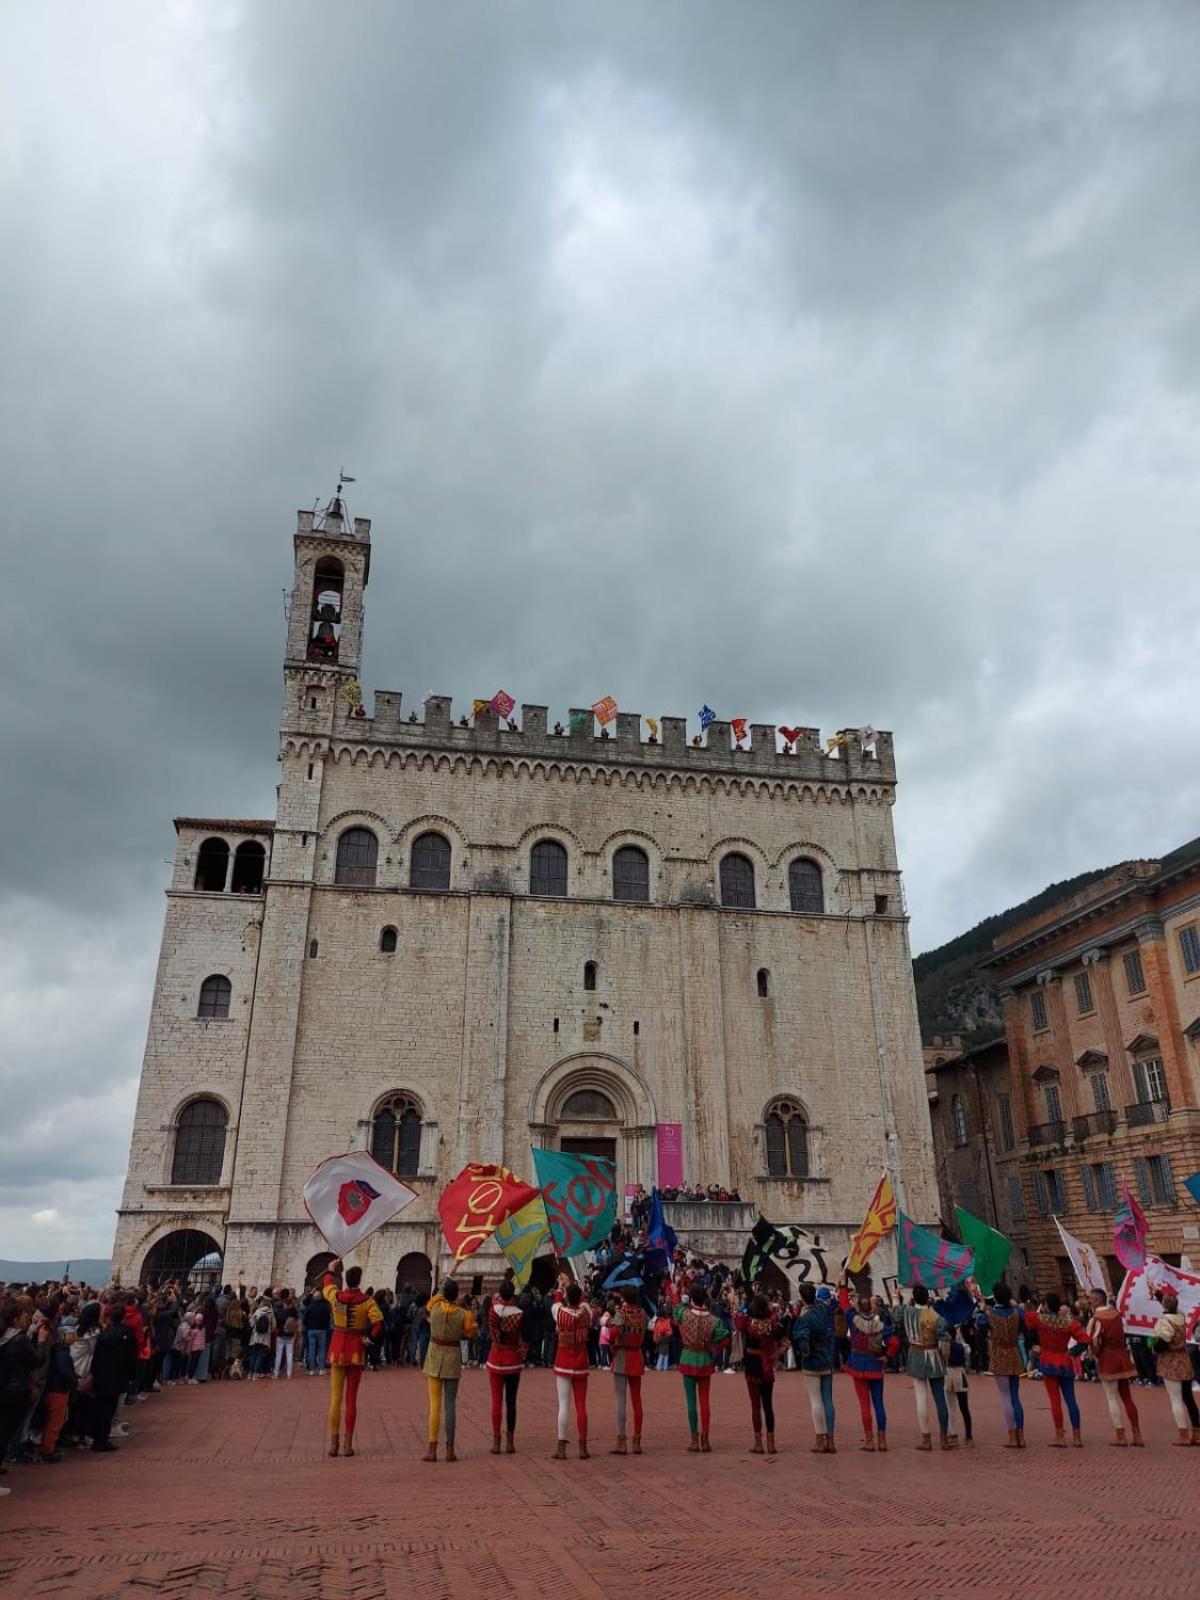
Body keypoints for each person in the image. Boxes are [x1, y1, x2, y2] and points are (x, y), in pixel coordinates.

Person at [322, 1261, 383, 1458]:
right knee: (351, 1399)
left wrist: (331, 1269)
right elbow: (378, 1324)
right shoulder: (367, 1301)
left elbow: (328, 1283)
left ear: (346, 1280)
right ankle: (348, 1443)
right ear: (359, 1280)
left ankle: (334, 1443)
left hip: (337, 1348)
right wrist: (369, 1339)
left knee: (335, 1398)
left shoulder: (336, 1296)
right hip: (356, 1349)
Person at [890, 1286, 954, 1451]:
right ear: (928, 1298)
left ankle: (926, 1438)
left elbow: (895, 1314)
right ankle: (944, 1438)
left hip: (916, 1354)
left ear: (913, 1297)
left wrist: (896, 1297)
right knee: (940, 1399)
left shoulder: (907, 1312)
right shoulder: (936, 1317)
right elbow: (944, 1339)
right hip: (934, 1356)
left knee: (921, 1398)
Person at [423, 1278, 476, 1463]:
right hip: (452, 1357)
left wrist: (441, 1286)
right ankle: (450, 1449)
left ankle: (432, 1448)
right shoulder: (463, 1313)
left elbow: (433, 1300)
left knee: (434, 1406)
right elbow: (470, 1333)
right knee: (450, 1406)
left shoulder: (435, 1306)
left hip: (434, 1356)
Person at [1025, 1292, 1089, 1447]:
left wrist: (1040, 1308)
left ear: (1046, 1304)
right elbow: (1084, 1339)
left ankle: (1060, 1436)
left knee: (1055, 1401)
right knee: (1071, 1400)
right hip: (1065, 1360)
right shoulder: (1068, 1321)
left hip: (1048, 1361)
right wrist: (1073, 1352)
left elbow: (1028, 1319)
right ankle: (1077, 1436)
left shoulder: (1041, 1319)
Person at [675, 1284, 728, 1453]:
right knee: (705, 1401)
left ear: (691, 1298)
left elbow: (676, 1310)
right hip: (705, 1358)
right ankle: (705, 1439)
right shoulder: (714, 1320)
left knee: (691, 1402)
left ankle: (694, 1439)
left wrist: (675, 1292)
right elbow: (724, 1337)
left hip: (688, 1356)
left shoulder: (684, 1314)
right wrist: (713, 1348)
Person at [838, 1279, 889, 1452]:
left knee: (864, 1404)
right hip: (875, 1364)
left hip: (859, 1364)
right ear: (872, 1308)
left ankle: (869, 1440)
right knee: (879, 1404)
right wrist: (887, 1356)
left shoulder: (854, 1320)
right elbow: (894, 1341)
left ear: (859, 1308)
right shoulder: (880, 1325)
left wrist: (842, 1285)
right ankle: (882, 1440)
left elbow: (844, 1304)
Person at [1087, 1292, 1143, 1446]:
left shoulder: (1096, 1319)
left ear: (1098, 1300)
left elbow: (1093, 1340)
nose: (1089, 1301)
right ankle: (1137, 1434)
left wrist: (1095, 1353)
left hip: (1108, 1357)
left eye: (1091, 1298)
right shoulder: (1117, 1315)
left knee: (1112, 1397)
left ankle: (1120, 1434)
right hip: (1121, 1355)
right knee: (1127, 1397)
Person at [792, 1282, 837, 1453]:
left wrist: (804, 1350)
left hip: (812, 1361)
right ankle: (831, 1440)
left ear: (803, 1298)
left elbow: (802, 1341)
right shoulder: (823, 1310)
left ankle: (820, 1439)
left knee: (815, 1400)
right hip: (826, 1357)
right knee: (828, 1400)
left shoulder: (805, 1318)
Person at [551, 1281, 592, 1460]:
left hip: (564, 1360)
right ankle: (583, 1446)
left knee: (563, 1405)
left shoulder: (559, 1313)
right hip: (581, 1360)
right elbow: (584, 1304)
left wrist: (561, 1286)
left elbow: (557, 1300)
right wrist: (575, 1292)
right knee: (581, 1406)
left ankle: (561, 1446)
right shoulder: (586, 1313)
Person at [735, 1293, 781, 1455]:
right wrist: (775, 1355)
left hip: (752, 1365)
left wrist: (738, 1305)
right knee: (768, 1405)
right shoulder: (773, 1322)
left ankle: (758, 1443)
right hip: (767, 1364)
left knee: (756, 1406)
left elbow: (737, 1321)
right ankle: (771, 1443)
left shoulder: (748, 1321)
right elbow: (786, 1341)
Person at [90, 1304, 139, 1453]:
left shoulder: (104, 1333)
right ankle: (102, 1439)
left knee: (100, 1407)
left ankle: (98, 1438)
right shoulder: (127, 1334)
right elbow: (131, 1356)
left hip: (102, 1374)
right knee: (110, 1408)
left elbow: (97, 1355)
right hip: (118, 1374)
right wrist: (132, 1374)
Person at [1154, 1291, 1199, 1445]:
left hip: (1170, 1360)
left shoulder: (1164, 1321)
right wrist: (1158, 1294)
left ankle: (1183, 1435)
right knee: (1188, 1398)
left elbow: (1162, 1344)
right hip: (1183, 1359)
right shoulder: (1180, 1316)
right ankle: (1197, 1432)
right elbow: (1170, 1306)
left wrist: (1154, 1347)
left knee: (1175, 1399)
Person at [485, 1279, 525, 1455]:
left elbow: (493, 1332)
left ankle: (496, 1441)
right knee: (511, 1401)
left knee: (496, 1401)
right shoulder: (519, 1313)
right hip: (513, 1358)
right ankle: (510, 1441)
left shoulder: (493, 1311)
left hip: (496, 1355)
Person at [984, 1283, 1026, 1447]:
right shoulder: (1017, 1313)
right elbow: (1025, 1315)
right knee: (1015, 1396)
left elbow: (979, 1324)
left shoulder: (990, 1314)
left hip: (999, 1354)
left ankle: (1011, 1435)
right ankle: (1021, 1435)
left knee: (1005, 1396)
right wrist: (1014, 1303)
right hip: (1014, 1353)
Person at [609, 1286, 647, 1456]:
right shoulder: (642, 1313)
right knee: (637, 1400)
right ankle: (637, 1440)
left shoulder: (621, 1313)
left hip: (622, 1355)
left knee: (620, 1400)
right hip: (636, 1354)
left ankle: (621, 1440)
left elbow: (614, 1331)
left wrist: (611, 1341)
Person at [944, 1324, 973, 1447]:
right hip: (960, 1374)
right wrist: (959, 1337)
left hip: (948, 1374)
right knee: (964, 1408)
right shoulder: (963, 1346)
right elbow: (968, 1350)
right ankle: (969, 1436)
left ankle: (952, 1434)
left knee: (949, 1407)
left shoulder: (943, 1347)